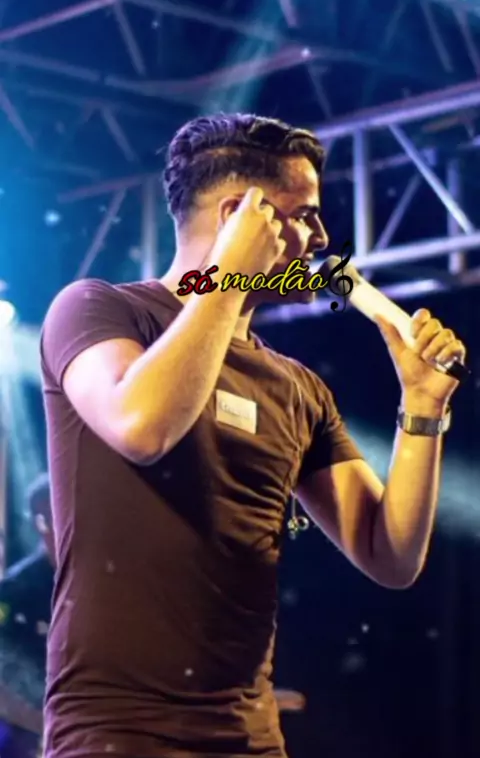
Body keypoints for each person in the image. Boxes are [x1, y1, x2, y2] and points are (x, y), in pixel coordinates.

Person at [39, 113, 466, 758]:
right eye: (304, 215)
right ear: (238, 215)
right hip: (117, 732)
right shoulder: (99, 310)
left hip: (250, 737)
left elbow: (391, 556)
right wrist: (226, 277)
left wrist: (422, 406)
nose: (321, 239)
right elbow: (142, 426)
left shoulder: (296, 388)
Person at [0, 474, 54, 751]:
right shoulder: (14, 591)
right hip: (27, 737)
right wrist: (45, 726)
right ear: (40, 521)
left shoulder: (99, 580)